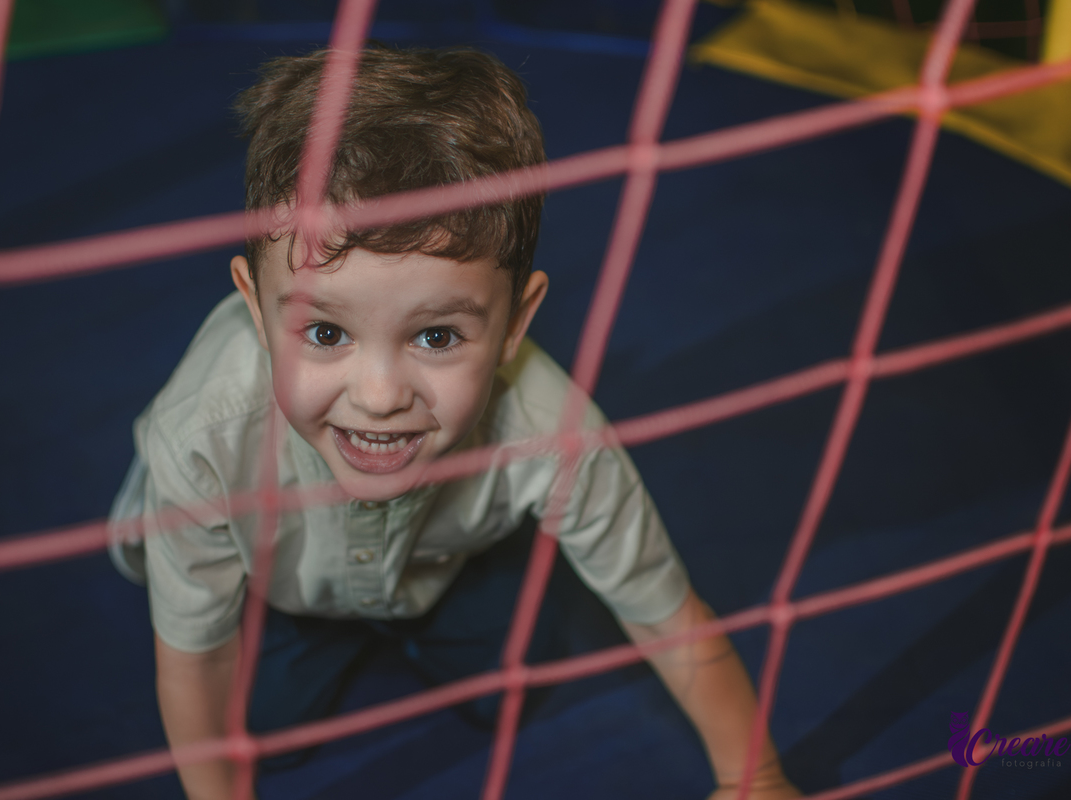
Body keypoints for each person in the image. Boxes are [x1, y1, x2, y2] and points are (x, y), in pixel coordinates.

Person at [109, 45, 800, 800]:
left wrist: (756, 775)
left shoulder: (549, 425)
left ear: (514, 324)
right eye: (326, 332)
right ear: (253, 307)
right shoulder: (204, 435)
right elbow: (194, 659)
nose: (378, 397)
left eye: (436, 336)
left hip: (445, 565)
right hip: (285, 585)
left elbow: (666, 612)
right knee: (256, 726)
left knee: (509, 687)